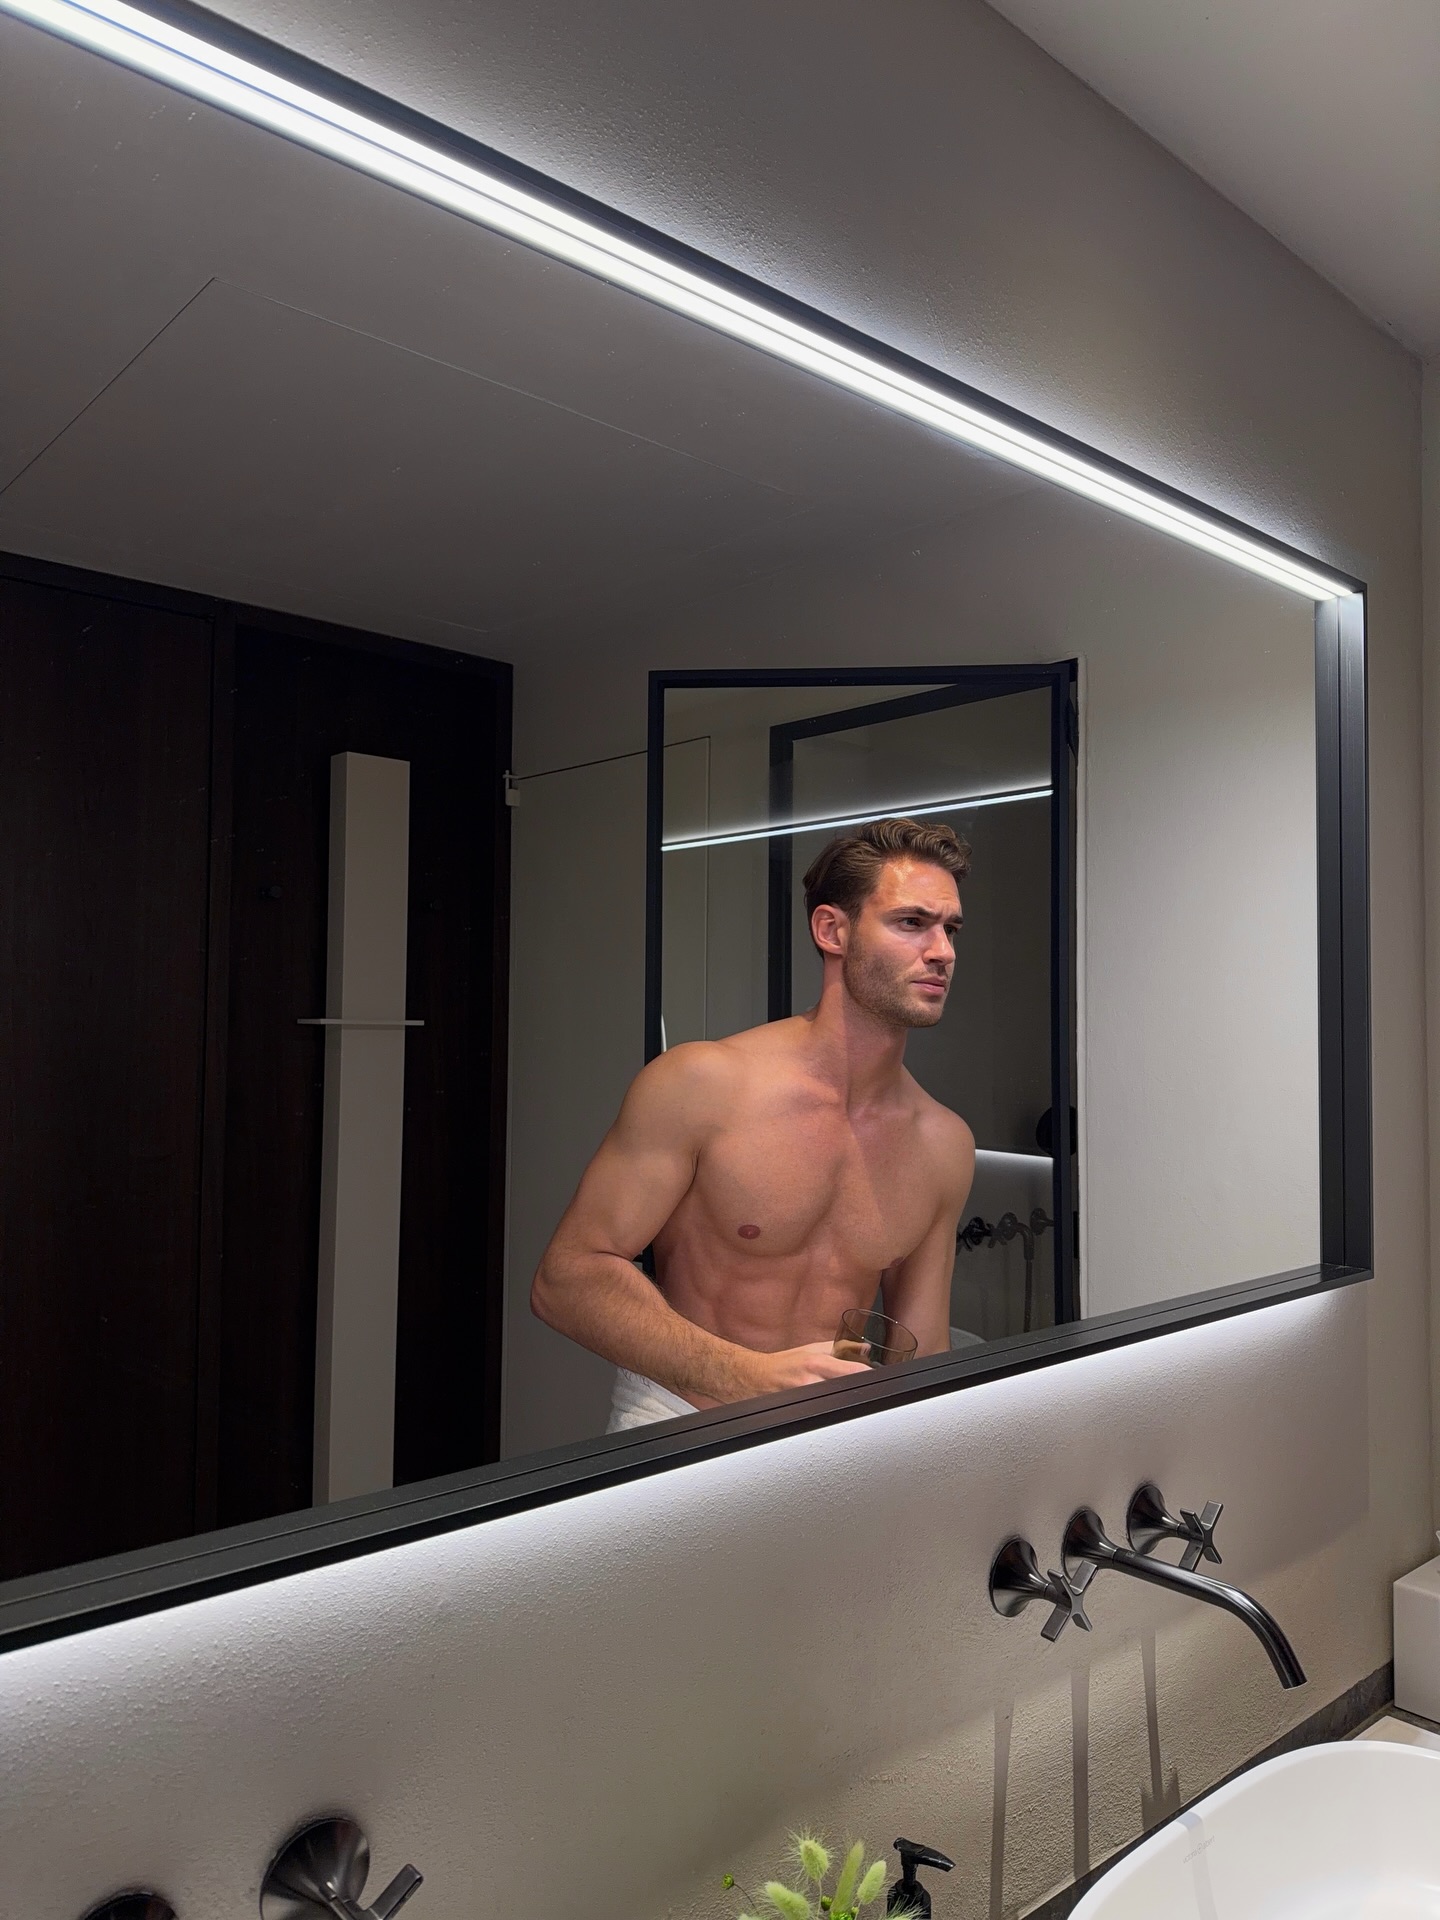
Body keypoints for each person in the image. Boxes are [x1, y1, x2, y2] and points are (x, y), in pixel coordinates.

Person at [531, 816, 977, 1430]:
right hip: (679, 1415)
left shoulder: (943, 1143)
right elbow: (567, 1278)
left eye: (950, 928)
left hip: (832, 1438)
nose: (942, 951)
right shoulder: (703, 1085)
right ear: (832, 930)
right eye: (911, 922)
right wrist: (747, 1375)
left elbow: (922, 1351)